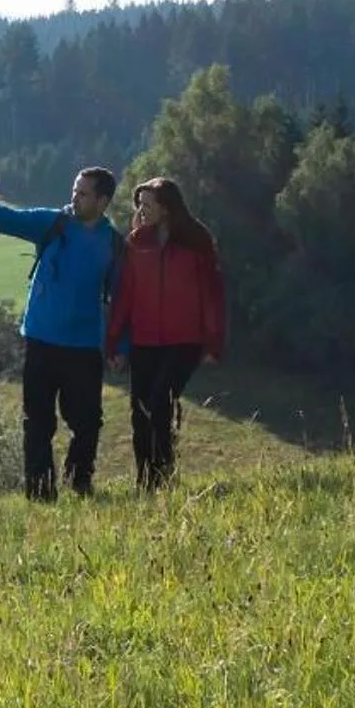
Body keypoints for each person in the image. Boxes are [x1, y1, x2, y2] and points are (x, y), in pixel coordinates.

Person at [0, 168, 122, 499]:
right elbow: (4, 218)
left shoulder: (113, 244)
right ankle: (41, 494)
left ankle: (79, 482)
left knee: (88, 423)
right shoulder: (52, 223)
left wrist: (120, 345)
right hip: (41, 340)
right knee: (38, 422)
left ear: (103, 201)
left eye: (83, 193)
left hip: (84, 346)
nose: (74, 197)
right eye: (74, 190)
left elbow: (121, 300)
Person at [103, 176, 225, 491]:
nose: (141, 211)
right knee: (139, 412)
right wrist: (113, 342)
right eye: (139, 205)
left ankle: (163, 476)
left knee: (160, 404)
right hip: (144, 340)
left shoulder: (197, 241)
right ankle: (146, 479)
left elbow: (211, 294)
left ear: (167, 208)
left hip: (184, 341)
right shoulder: (136, 242)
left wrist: (213, 342)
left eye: (147, 205)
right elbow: (125, 296)